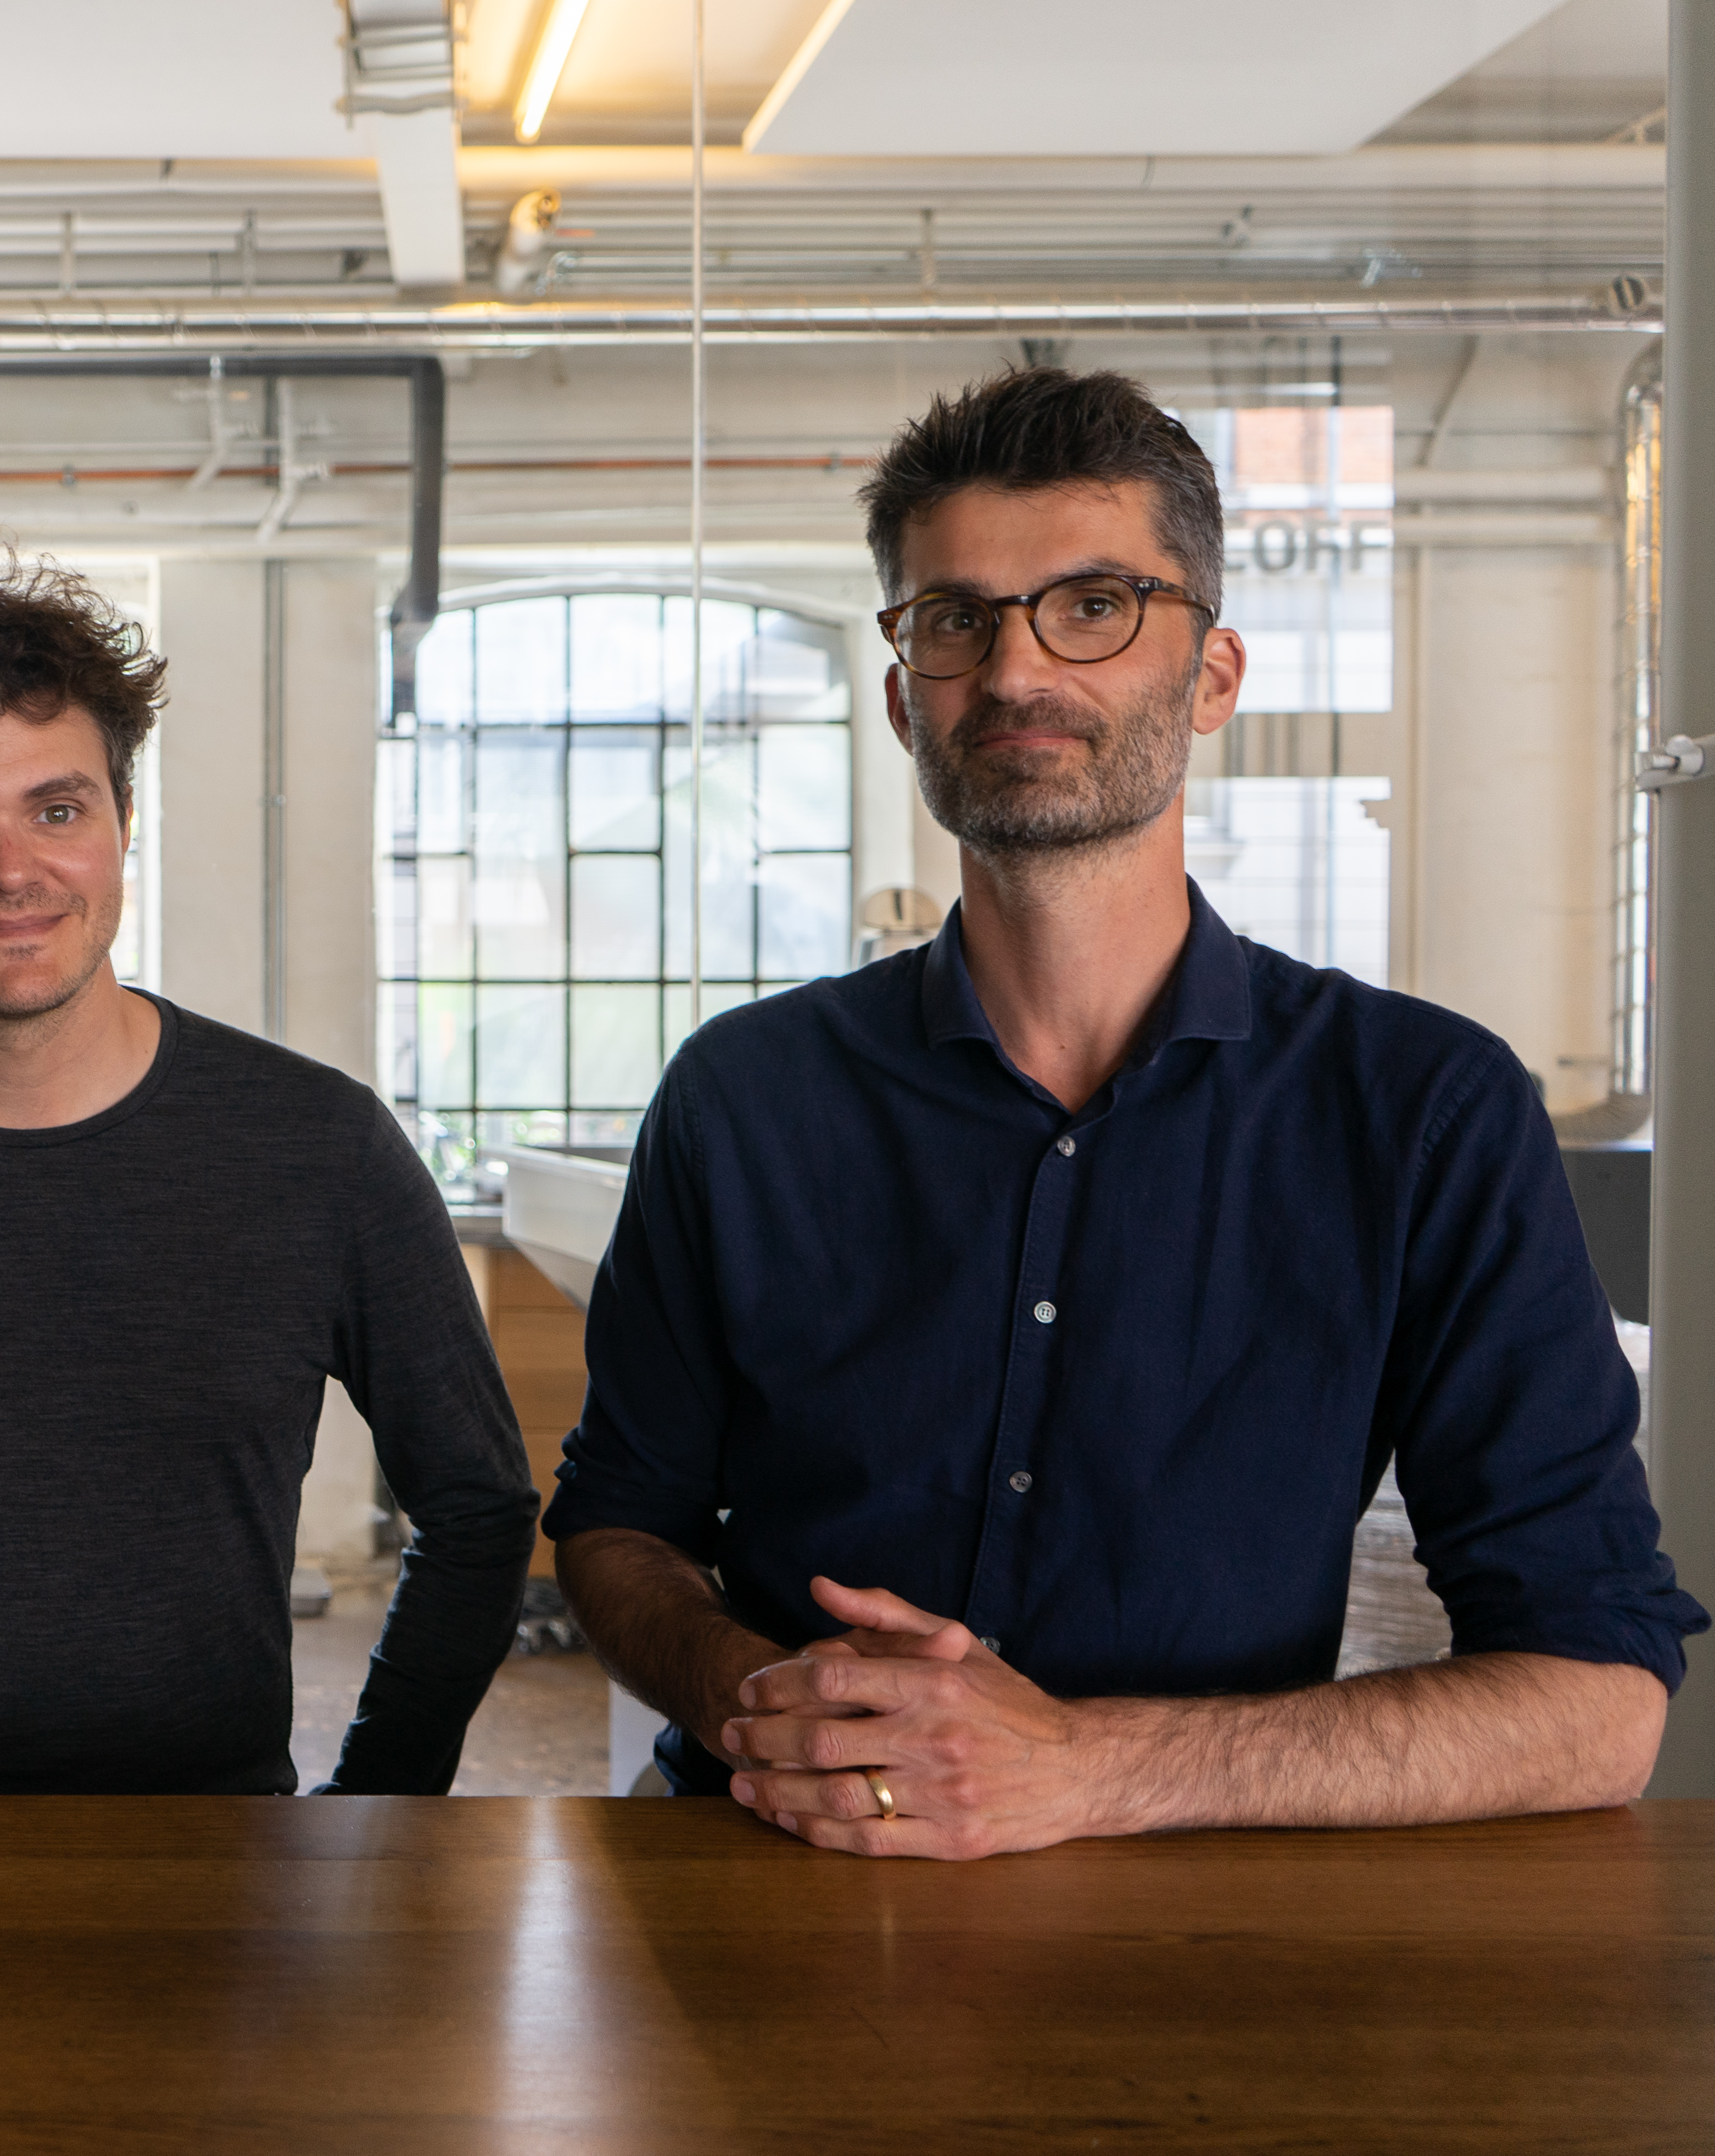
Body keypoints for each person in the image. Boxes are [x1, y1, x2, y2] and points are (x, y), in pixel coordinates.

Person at [549, 368, 1703, 1859]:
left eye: (1093, 604)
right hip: (778, 1870)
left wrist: (1087, 1766)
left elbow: (1601, 1700)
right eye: (958, 617)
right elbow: (616, 1525)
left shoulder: (1420, 1109)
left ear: (1213, 676)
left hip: (1200, 1910)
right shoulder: (745, 1093)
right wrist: (762, 1698)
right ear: (907, 694)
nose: (1020, 668)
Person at [0, 559, 537, 1794]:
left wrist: (376, 1810)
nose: (10, 870)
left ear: (124, 818)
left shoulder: (318, 1151)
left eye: (56, 810)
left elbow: (481, 1504)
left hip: (222, 1866)